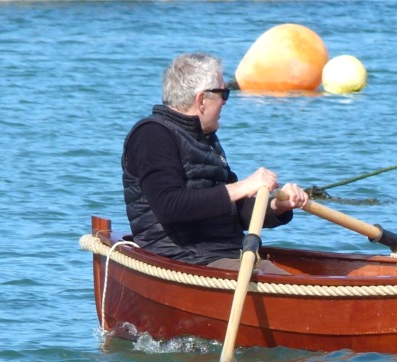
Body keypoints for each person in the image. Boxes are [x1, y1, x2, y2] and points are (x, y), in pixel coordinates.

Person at [122, 52, 309, 273]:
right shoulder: (153, 135)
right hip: (183, 258)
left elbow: (234, 211)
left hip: (225, 253)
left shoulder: (205, 138)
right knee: (289, 285)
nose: (225, 102)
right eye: (224, 93)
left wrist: (276, 206)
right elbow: (170, 206)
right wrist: (242, 187)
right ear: (202, 100)